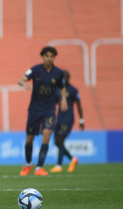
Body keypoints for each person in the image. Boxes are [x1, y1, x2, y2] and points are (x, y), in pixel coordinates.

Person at [18, 46, 68, 176]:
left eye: (52, 56)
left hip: (49, 110)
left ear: (54, 57)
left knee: (46, 136)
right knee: (29, 139)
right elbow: (21, 80)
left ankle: (39, 168)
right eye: (47, 56)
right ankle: (28, 165)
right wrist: (24, 84)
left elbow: (62, 88)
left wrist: (63, 100)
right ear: (43, 57)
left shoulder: (58, 73)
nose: (49, 58)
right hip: (34, 110)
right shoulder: (35, 70)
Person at [50, 70, 83, 173]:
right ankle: (72, 159)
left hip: (68, 118)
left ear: (69, 78)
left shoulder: (73, 90)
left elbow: (79, 105)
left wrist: (82, 119)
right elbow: (54, 101)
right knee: (56, 142)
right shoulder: (58, 89)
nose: (64, 80)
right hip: (59, 118)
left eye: (65, 77)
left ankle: (59, 165)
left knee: (60, 140)